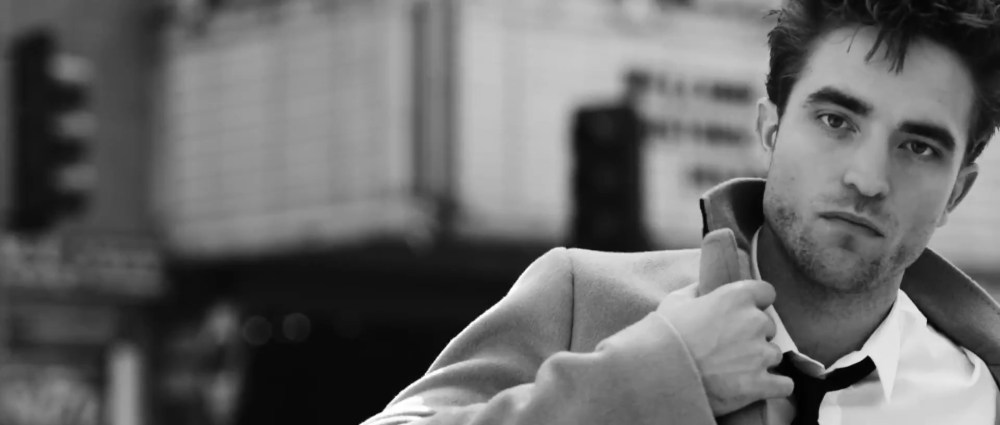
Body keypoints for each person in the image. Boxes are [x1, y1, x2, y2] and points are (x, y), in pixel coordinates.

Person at [362, 0, 1000, 424]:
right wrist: (658, 376)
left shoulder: (985, 397)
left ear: (958, 191)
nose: (868, 178)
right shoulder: (581, 300)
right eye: (836, 120)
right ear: (771, 129)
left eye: (919, 147)